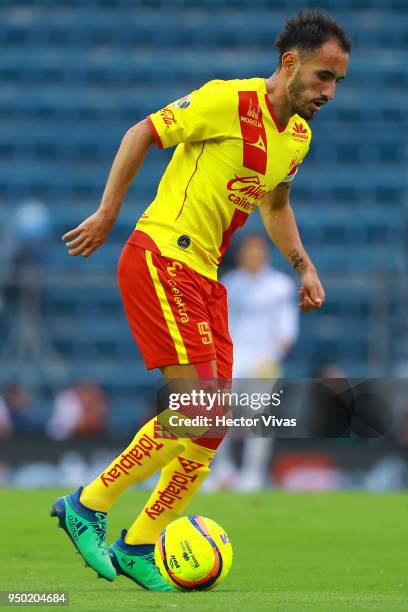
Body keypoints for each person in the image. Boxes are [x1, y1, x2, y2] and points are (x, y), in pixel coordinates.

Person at [51, 11, 350, 590]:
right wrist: (109, 212)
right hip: (163, 255)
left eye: (337, 81)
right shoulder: (226, 100)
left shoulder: (297, 139)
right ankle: (87, 504)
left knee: (212, 426)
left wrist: (304, 266)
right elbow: (142, 132)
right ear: (290, 64)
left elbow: (277, 206)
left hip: (206, 277)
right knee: (203, 411)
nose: (328, 92)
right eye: (321, 77)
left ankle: (138, 544)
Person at [209, 233, 299, 491]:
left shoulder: (280, 285)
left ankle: (252, 474)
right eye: (249, 250)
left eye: (258, 250)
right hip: (231, 361)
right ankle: (222, 471)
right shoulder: (229, 284)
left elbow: (286, 329)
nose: (253, 255)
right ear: (240, 254)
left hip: (264, 361)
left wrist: (274, 356)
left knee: (258, 420)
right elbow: (219, 325)